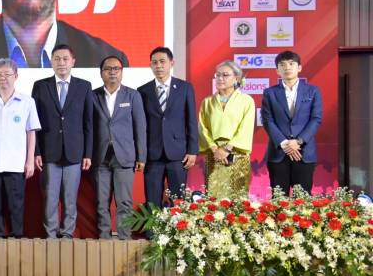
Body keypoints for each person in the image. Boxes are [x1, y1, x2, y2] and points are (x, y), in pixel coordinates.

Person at [31, 44, 93, 238]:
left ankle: (67, 234)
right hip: (49, 152)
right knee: (50, 198)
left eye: (65, 59)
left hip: (75, 152)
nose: (61, 62)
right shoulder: (40, 86)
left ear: (73, 61)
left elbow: (88, 123)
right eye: (57, 58)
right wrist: (37, 151)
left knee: (70, 198)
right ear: (51, 62)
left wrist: (88, 154)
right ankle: (51, 235)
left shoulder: (84, 86)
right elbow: (34, 122)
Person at [0, 58, 39, 238]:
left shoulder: (27, 102)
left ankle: (17, 238)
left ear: (16, 76)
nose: (3, 78)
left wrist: (30, 160)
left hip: (16, 164)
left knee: (16, 204)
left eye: (7, 74)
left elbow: (31, 133)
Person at [91, 56, 146, 239]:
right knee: (101, 203)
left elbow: (140, 127)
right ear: (101, 73)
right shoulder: (93, 96)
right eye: (108, 69)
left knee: (124, 202)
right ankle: (104, 238)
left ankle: (124, 238)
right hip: (100, 156)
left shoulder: (132, 95)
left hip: (124, 156)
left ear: (122, 72)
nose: (112, 72)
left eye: (116, 69)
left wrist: (141, 156)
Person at [137, 47, 198, 209]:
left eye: (162, 62)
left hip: (178, 155)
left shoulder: (185, 88)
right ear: (150, 65)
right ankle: (153, 226)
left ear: (172, 63)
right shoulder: (142, 91)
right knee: (152, 201)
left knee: (178, 201)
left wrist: (192, 150)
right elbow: (140, 126)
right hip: (152, 155)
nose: (158, 66)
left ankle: (176, 225)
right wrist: (141, 154)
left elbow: (191, 121)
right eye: (154, 62)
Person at [261, 51, 323, 196]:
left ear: (299, 67)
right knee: (279, 199)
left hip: (304, 153)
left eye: (291, 63)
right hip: (278, 153)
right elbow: (267, 120)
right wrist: (285, 144)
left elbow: (316, 119)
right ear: (277, 70)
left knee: (303, 200)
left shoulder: (312, 91)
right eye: (282, 65)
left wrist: (298, 141)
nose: (287, 67)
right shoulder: (270, 93)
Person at [199, 60, 255, 199]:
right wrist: (215, 149)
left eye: (225, 75)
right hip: (214, 154)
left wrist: (227, 149)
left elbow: (246, 128)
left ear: (236, 78)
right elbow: (203, 128)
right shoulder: (207, 102)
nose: (220, 78)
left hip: (237, 153)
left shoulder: (246, 100)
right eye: (217, 75)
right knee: (214, 196)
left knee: (238, 197)